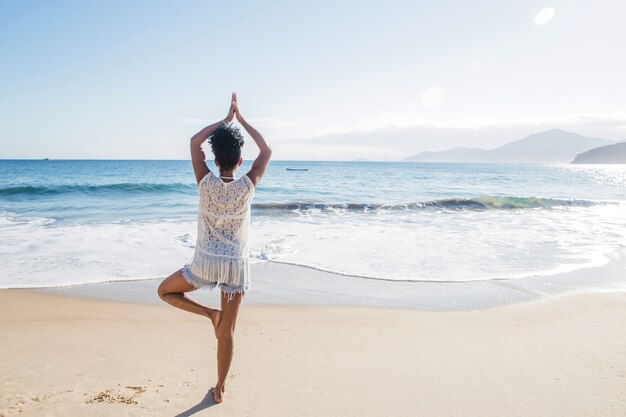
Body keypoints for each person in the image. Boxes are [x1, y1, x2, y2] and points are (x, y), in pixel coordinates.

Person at [157, 92, 271, 403]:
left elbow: (195, 142)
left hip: (205, 263)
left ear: (215, 159)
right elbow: (267, 150)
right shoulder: (248, 185)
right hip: (235, 266)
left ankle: (209, 314)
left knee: (164, 292)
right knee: (228, 332)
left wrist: (226, 120)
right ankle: (219, 389)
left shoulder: (204, 181)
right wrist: (242, 120)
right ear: (240, 161)